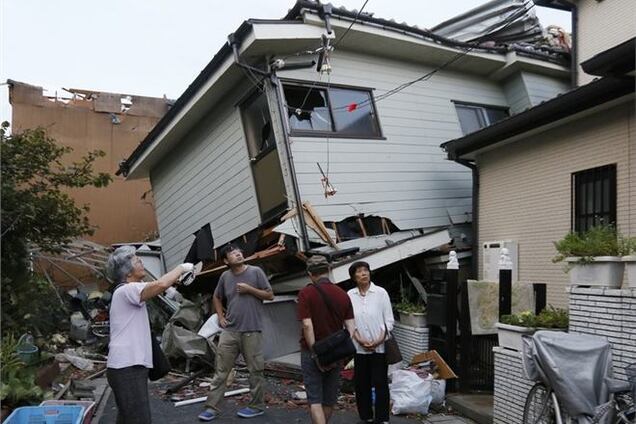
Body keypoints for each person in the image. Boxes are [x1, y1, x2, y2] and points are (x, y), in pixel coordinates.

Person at [106, 245, 193, 424]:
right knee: (139, 419)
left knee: (128, 418)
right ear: (127, 271)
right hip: (127, 367)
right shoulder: (125, 290)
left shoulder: (130, 291)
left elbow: (159, 287)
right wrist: (182, 268)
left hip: (128, 366)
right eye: (137, 260)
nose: (141, 262)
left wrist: (172, 283)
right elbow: (160, 284)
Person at [198, 245, 274, 421]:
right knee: (221, 370)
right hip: (230, 330)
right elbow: (217, 296)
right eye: (233, 253)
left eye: (239, 251)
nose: (238, 254)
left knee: (255, 370)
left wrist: (250, 290)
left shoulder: (256, 272)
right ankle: (211, 408)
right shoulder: (225, 276)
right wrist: (220, 316)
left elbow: (270, 295)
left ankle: (256, 406)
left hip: (252, 329)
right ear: (226, 261)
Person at [297, 255, 356, 424]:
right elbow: (351, 328)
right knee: (329, 399)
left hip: (312, 352)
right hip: (337, 353)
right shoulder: (343, 294)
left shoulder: (306, 293)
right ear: (329, 270)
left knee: (315, 398)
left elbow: (307, 325)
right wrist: (339, 348)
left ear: (309, 273)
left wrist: (316, 352)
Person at [347, 261, 394, 424]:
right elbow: (348, 321)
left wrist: (378, 339)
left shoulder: (381, 293)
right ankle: (365, 415)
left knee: (380, 382)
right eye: (359, 272)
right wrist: (359, 339)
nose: (363, 274)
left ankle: (382, 417)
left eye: (366, 270)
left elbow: (389, 320)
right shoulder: (350, 295)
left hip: (379, 346)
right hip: (359, 347)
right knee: (361, 383)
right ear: (354, 277)